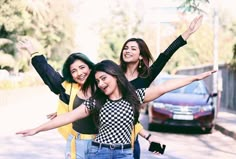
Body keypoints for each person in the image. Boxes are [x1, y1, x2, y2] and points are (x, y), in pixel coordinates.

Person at [16, 60, 216, 159]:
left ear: (115, 76)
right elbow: (67, 117)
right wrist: (37, 129)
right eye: (97, 81)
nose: (101, 84)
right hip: (99, 152)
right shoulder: (95, 102)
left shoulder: (135, 96)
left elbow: (164, 88)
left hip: (125, 154)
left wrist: (195, 78)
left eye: (104, 78)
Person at [120, 15, 203, 159]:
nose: (127, 50)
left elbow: (166, 55)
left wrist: (188, 32)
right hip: (106, 141)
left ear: (141, 56)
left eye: (133, 48)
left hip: (130, 140)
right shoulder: (114, 75)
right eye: (125, 48)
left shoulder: (145, 77)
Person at [18, 40, 97, 159]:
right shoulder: (67, 88)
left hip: (101, 144)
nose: (79, 73)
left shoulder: (103, 86)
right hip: (76, 143)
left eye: (82, 67)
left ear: (90, 68)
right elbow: (47, 72)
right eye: (74, 71)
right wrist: (32, 51)